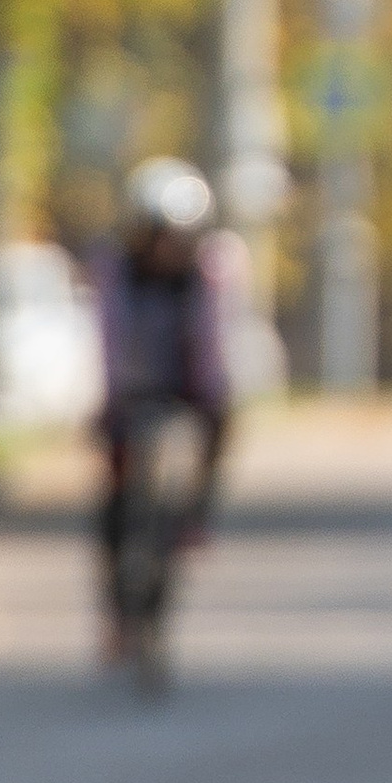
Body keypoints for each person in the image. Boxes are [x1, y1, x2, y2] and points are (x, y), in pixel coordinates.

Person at [92, 160, 230, 670]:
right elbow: (109, 337)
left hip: (184, 386)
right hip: (131, 389)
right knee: (115, 493)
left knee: (222, 422)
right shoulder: (118, 270)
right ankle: (116, 610)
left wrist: (210, 394)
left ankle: (196, 511)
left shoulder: (206, 273)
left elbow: (211, 340)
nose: (167, 248)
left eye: (178, 237)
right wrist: (111, 399)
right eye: (158, 236)